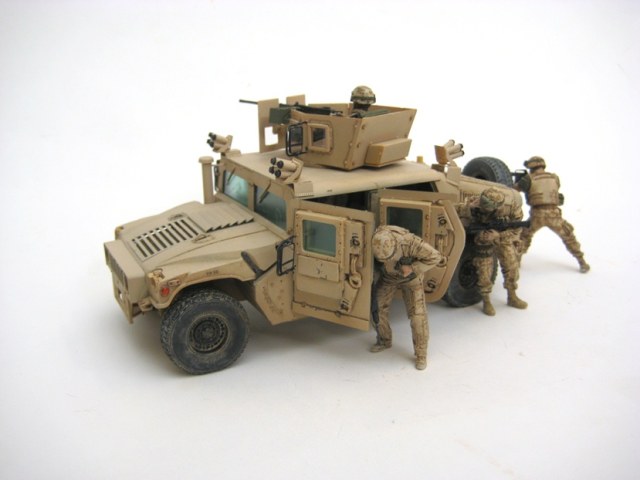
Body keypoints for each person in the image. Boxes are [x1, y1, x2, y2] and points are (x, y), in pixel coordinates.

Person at [370, 225, 444, 370]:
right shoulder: (375, 240)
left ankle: (421, 354)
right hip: (389, 277)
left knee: (417, 316)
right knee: (376, 309)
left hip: (411, 279)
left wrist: (412, 269)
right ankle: (384, 340)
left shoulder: (409, 242)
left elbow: (435, 256)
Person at [515, 156, 590, 273]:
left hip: (537, 214)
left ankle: (515, 262)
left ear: (531, 166)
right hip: (554, 214)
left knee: (523, 237)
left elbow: (515, 190)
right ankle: (582, 262)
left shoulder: (528, 179)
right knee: (569, 237)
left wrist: (518, 181)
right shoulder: (554, 177)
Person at [463, 188, 528, 316]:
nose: (483, 208)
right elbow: (461, 216)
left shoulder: (511, 207)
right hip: (484, 239)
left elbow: (516, 231)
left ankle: (512, 296)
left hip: (503, 238)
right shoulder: (474, 202)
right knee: (484, 270)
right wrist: (468, 208)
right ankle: (486, 300)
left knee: (511, 266)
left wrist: (499, 235)